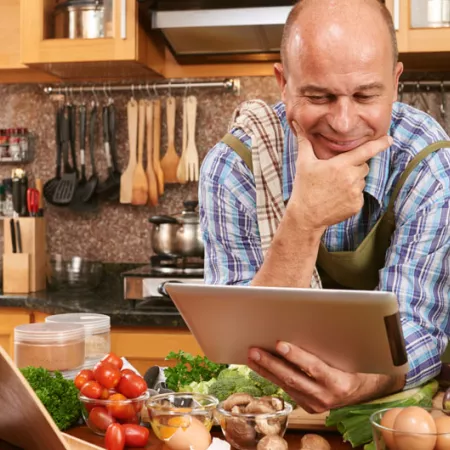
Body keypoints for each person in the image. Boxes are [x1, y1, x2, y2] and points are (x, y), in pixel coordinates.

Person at [199, 0, 450, 412]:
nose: (344, 122)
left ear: (396, 81)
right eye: (319, 96)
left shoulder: (430, 165)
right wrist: (303, 220)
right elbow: (242, 340)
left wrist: (357, 386)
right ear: (283, 82)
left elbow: (419, 328)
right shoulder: (233, 168)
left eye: (366, 94)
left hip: (394, 410)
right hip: (276, 414)